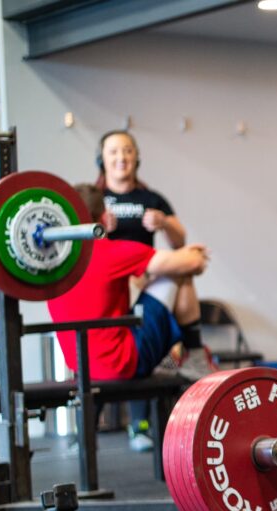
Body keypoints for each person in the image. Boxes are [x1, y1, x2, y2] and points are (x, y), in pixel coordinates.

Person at [95, 130, 216, 450]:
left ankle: (189, 357)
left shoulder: (151, 199)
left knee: (183, 272)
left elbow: (179, 241)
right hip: (109, 289)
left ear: (136, 157)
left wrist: (163, 223)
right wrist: (99, 229)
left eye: (127, 150)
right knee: (186, 267)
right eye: (113, 151)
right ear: (101, 159)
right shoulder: (95, 201)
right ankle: (191, 353)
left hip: (145, 279)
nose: (121, 157)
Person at [47, 184, 212, 390]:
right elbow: (194, 263)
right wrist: (192, 253)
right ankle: (194, 356)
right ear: (104, 217)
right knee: (180, 270)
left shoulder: (54, 264)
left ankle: (176, 357)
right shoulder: (111, 252)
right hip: (123, 365)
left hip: (81, 370)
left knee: (169, 270)